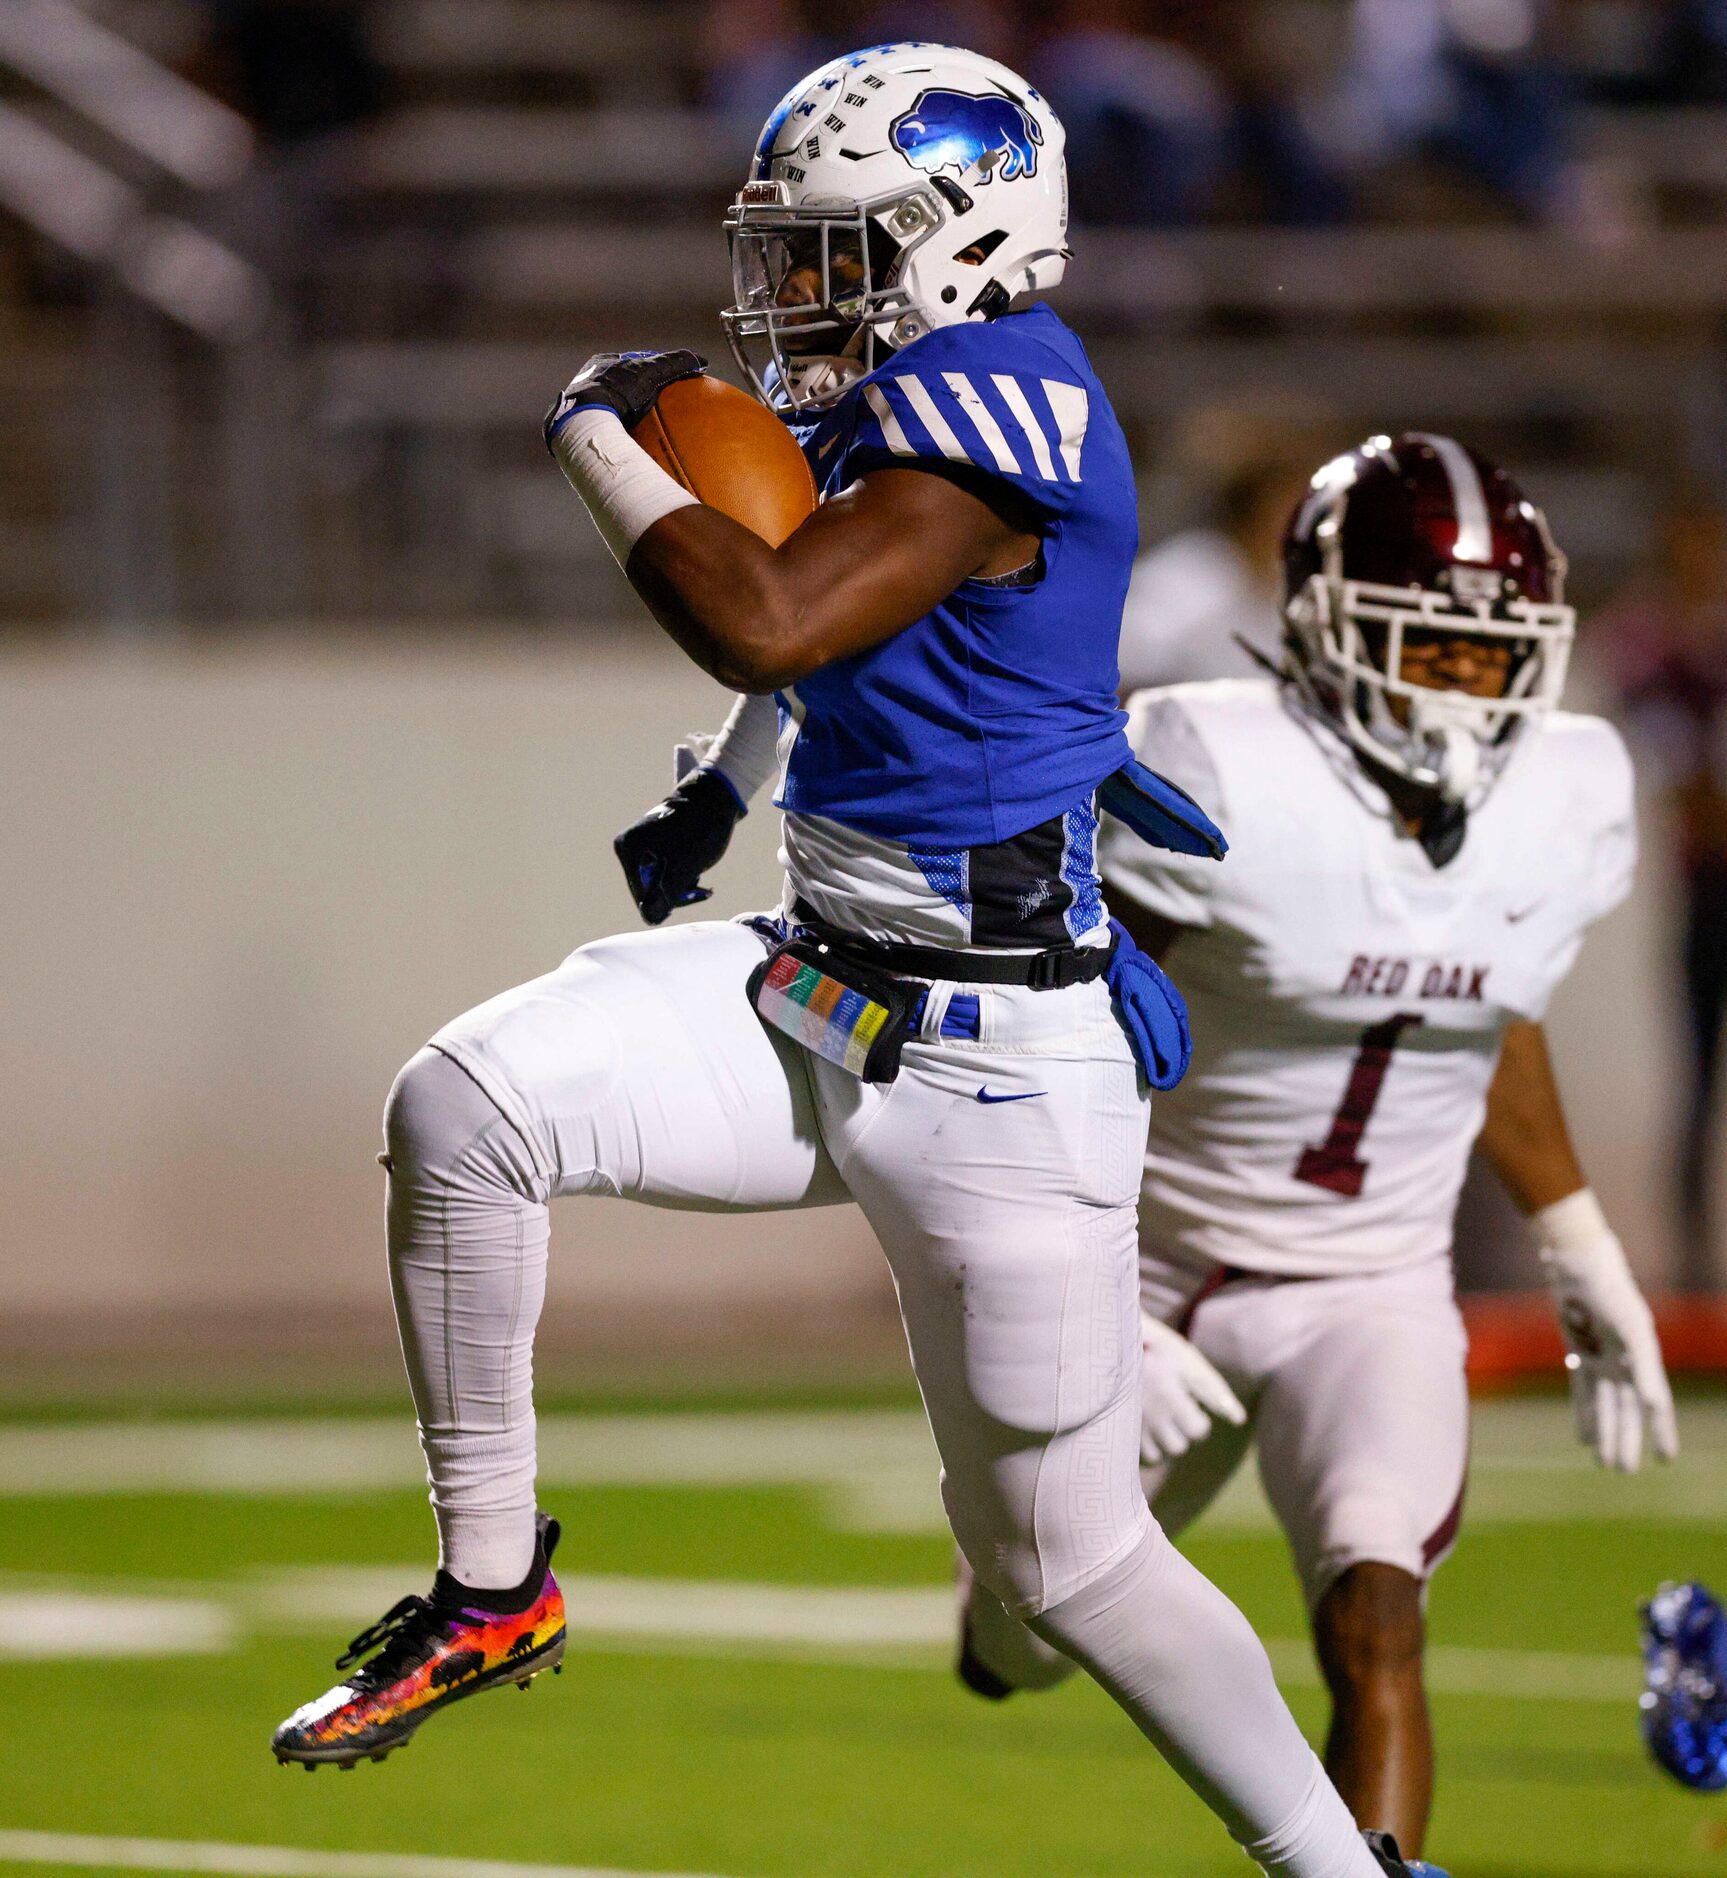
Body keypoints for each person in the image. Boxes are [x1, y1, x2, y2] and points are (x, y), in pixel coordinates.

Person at [271, 41, 1436, 1878]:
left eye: (827, 252)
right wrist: (728, 797)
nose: (788, 294)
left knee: (1071, 1567)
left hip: (1003, 1060)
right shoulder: (894, 393)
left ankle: (1335, 1863)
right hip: (825, 979)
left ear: (960, 242)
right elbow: (810, 643)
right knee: (467, 1104)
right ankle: (492, 1580)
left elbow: (769, 612)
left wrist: (590, 426)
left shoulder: (1006, 396)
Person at [954, 431, 1679, 1859]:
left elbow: (1491, 1010)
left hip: (1369, 1282)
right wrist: (1078, 1274)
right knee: (1027, 1627)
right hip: (1150, 1263)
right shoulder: (1215, 763)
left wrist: (1578, 1246)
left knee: (1375, 1607)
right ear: (1323, 625)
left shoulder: (1565, 789)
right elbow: (1039, 1028)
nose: (1469, 686)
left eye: (1494, 650)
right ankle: (991, 1603)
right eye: (1430, 646)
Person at [1601, 491, 1727, 1293]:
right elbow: (1679, 776)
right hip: (1702, 884)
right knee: (1696, 1073)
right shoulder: (1647, 642)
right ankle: (1691, 1262)